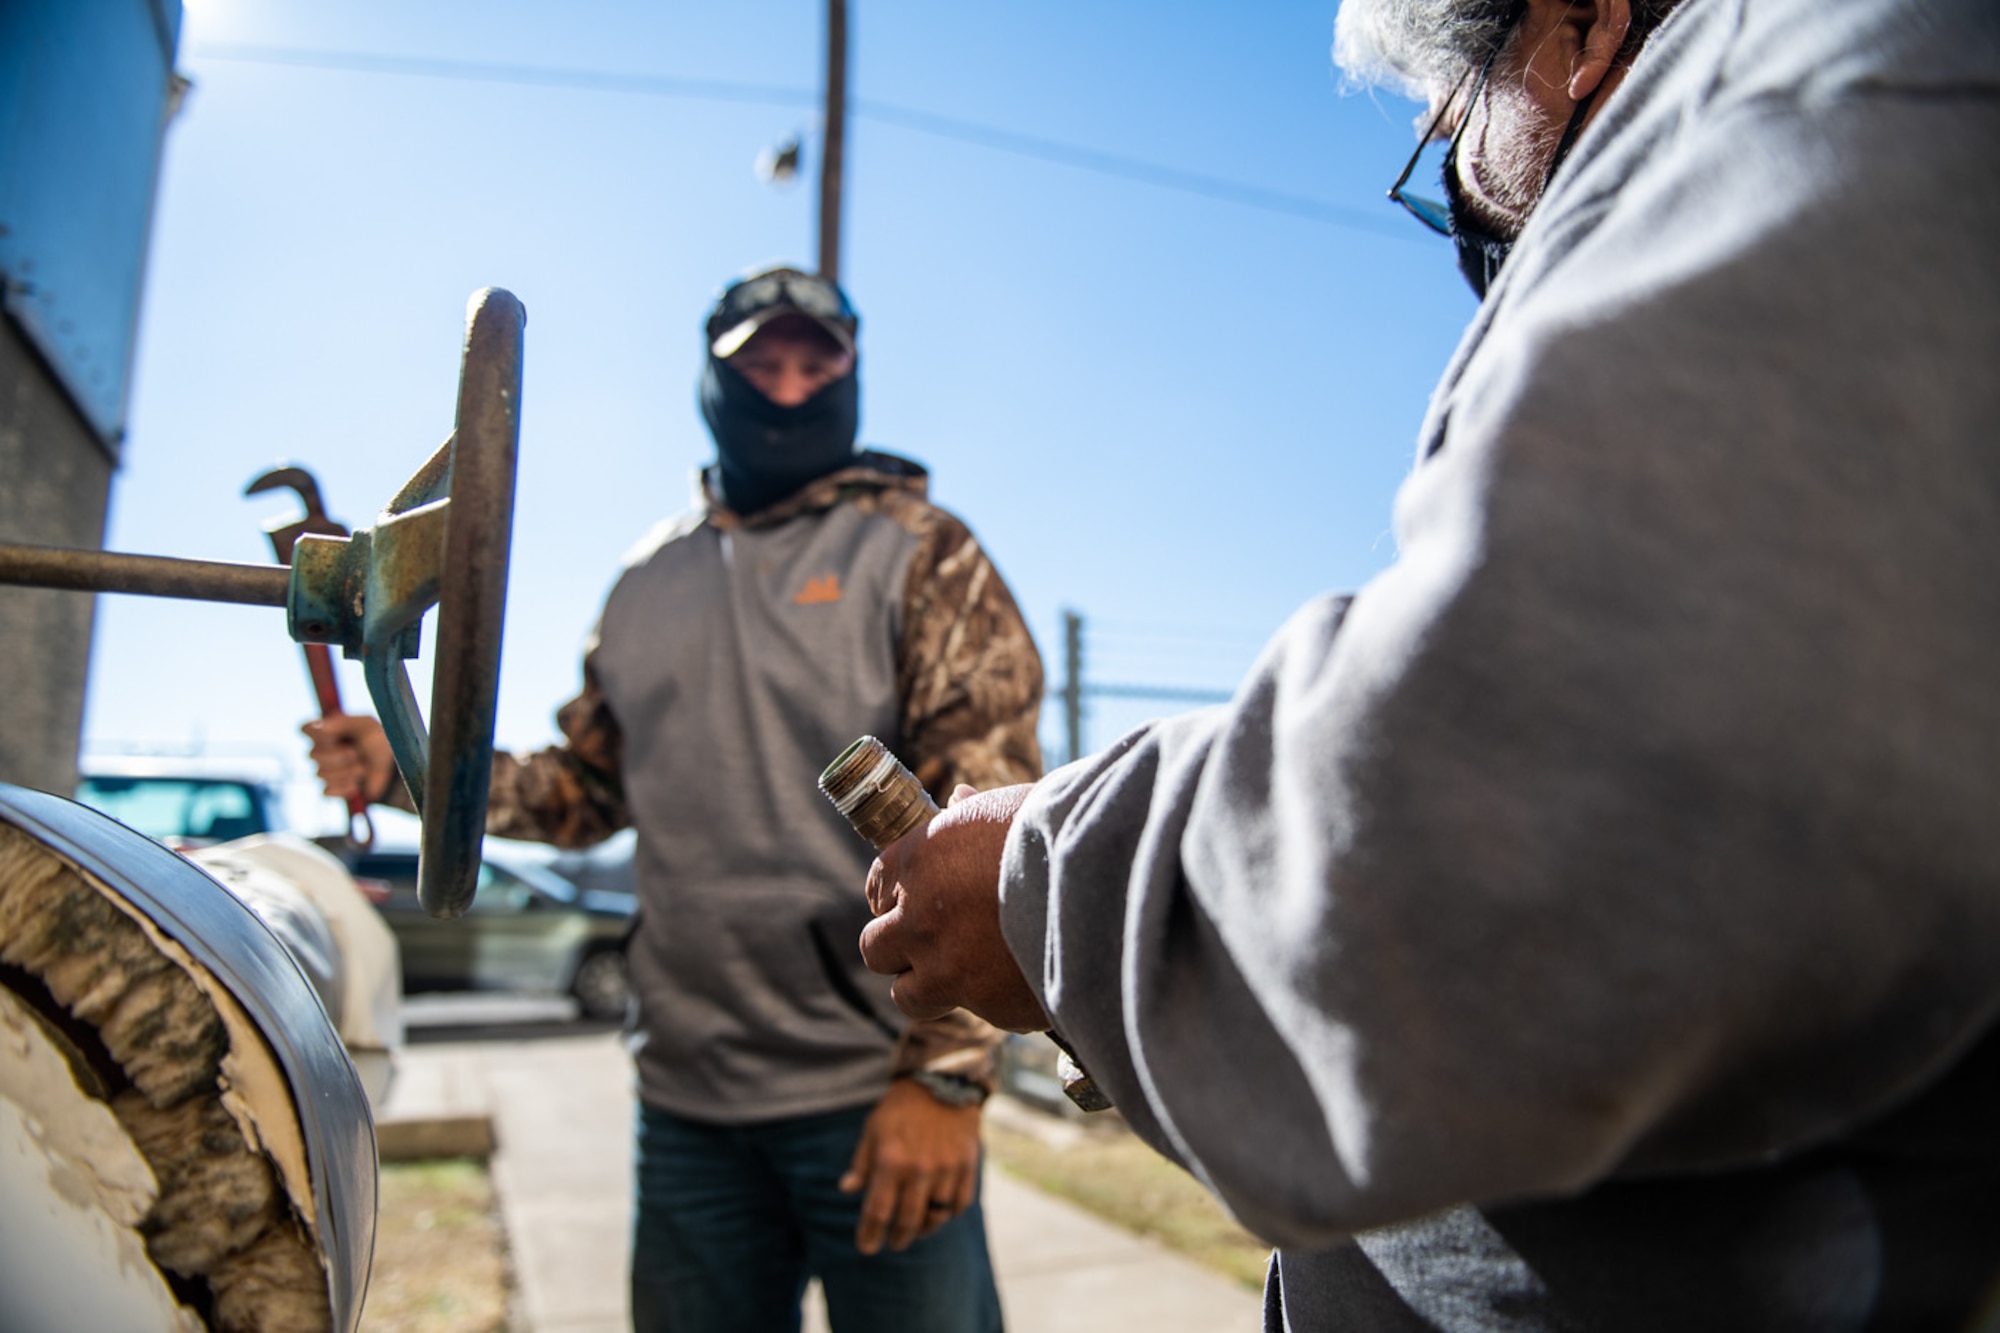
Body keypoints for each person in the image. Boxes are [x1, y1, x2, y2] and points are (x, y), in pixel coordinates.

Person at [855, 0, 2000, 1326]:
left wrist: (1045, 891)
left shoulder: (1820, 93)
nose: (1460, 210)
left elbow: (1518, 824)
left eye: (1449, 134)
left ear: (1582, 26)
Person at [309, 265, 1041, 1332]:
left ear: (849, 374)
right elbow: (580, 792)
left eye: (814, 359)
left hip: (873, 1091)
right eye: (758, 362)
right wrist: (406, 764)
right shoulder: (642, 581)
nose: (787, 385)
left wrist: (945, 1082)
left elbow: (985, 829)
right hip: (688, 1108)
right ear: (711, 376)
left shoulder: (922, 550)